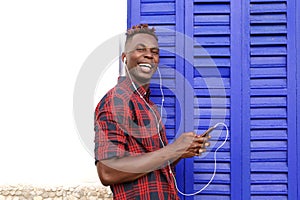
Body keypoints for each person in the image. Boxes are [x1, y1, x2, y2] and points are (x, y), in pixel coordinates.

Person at [94, 24, 210, 200]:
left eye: (155, 52)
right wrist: (173, 149)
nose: (149, 55)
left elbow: (156, 166)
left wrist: (181, 151)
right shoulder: (116, 100)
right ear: (125, 57)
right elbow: (108, 172)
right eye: (140, 49)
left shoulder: (151, 108)